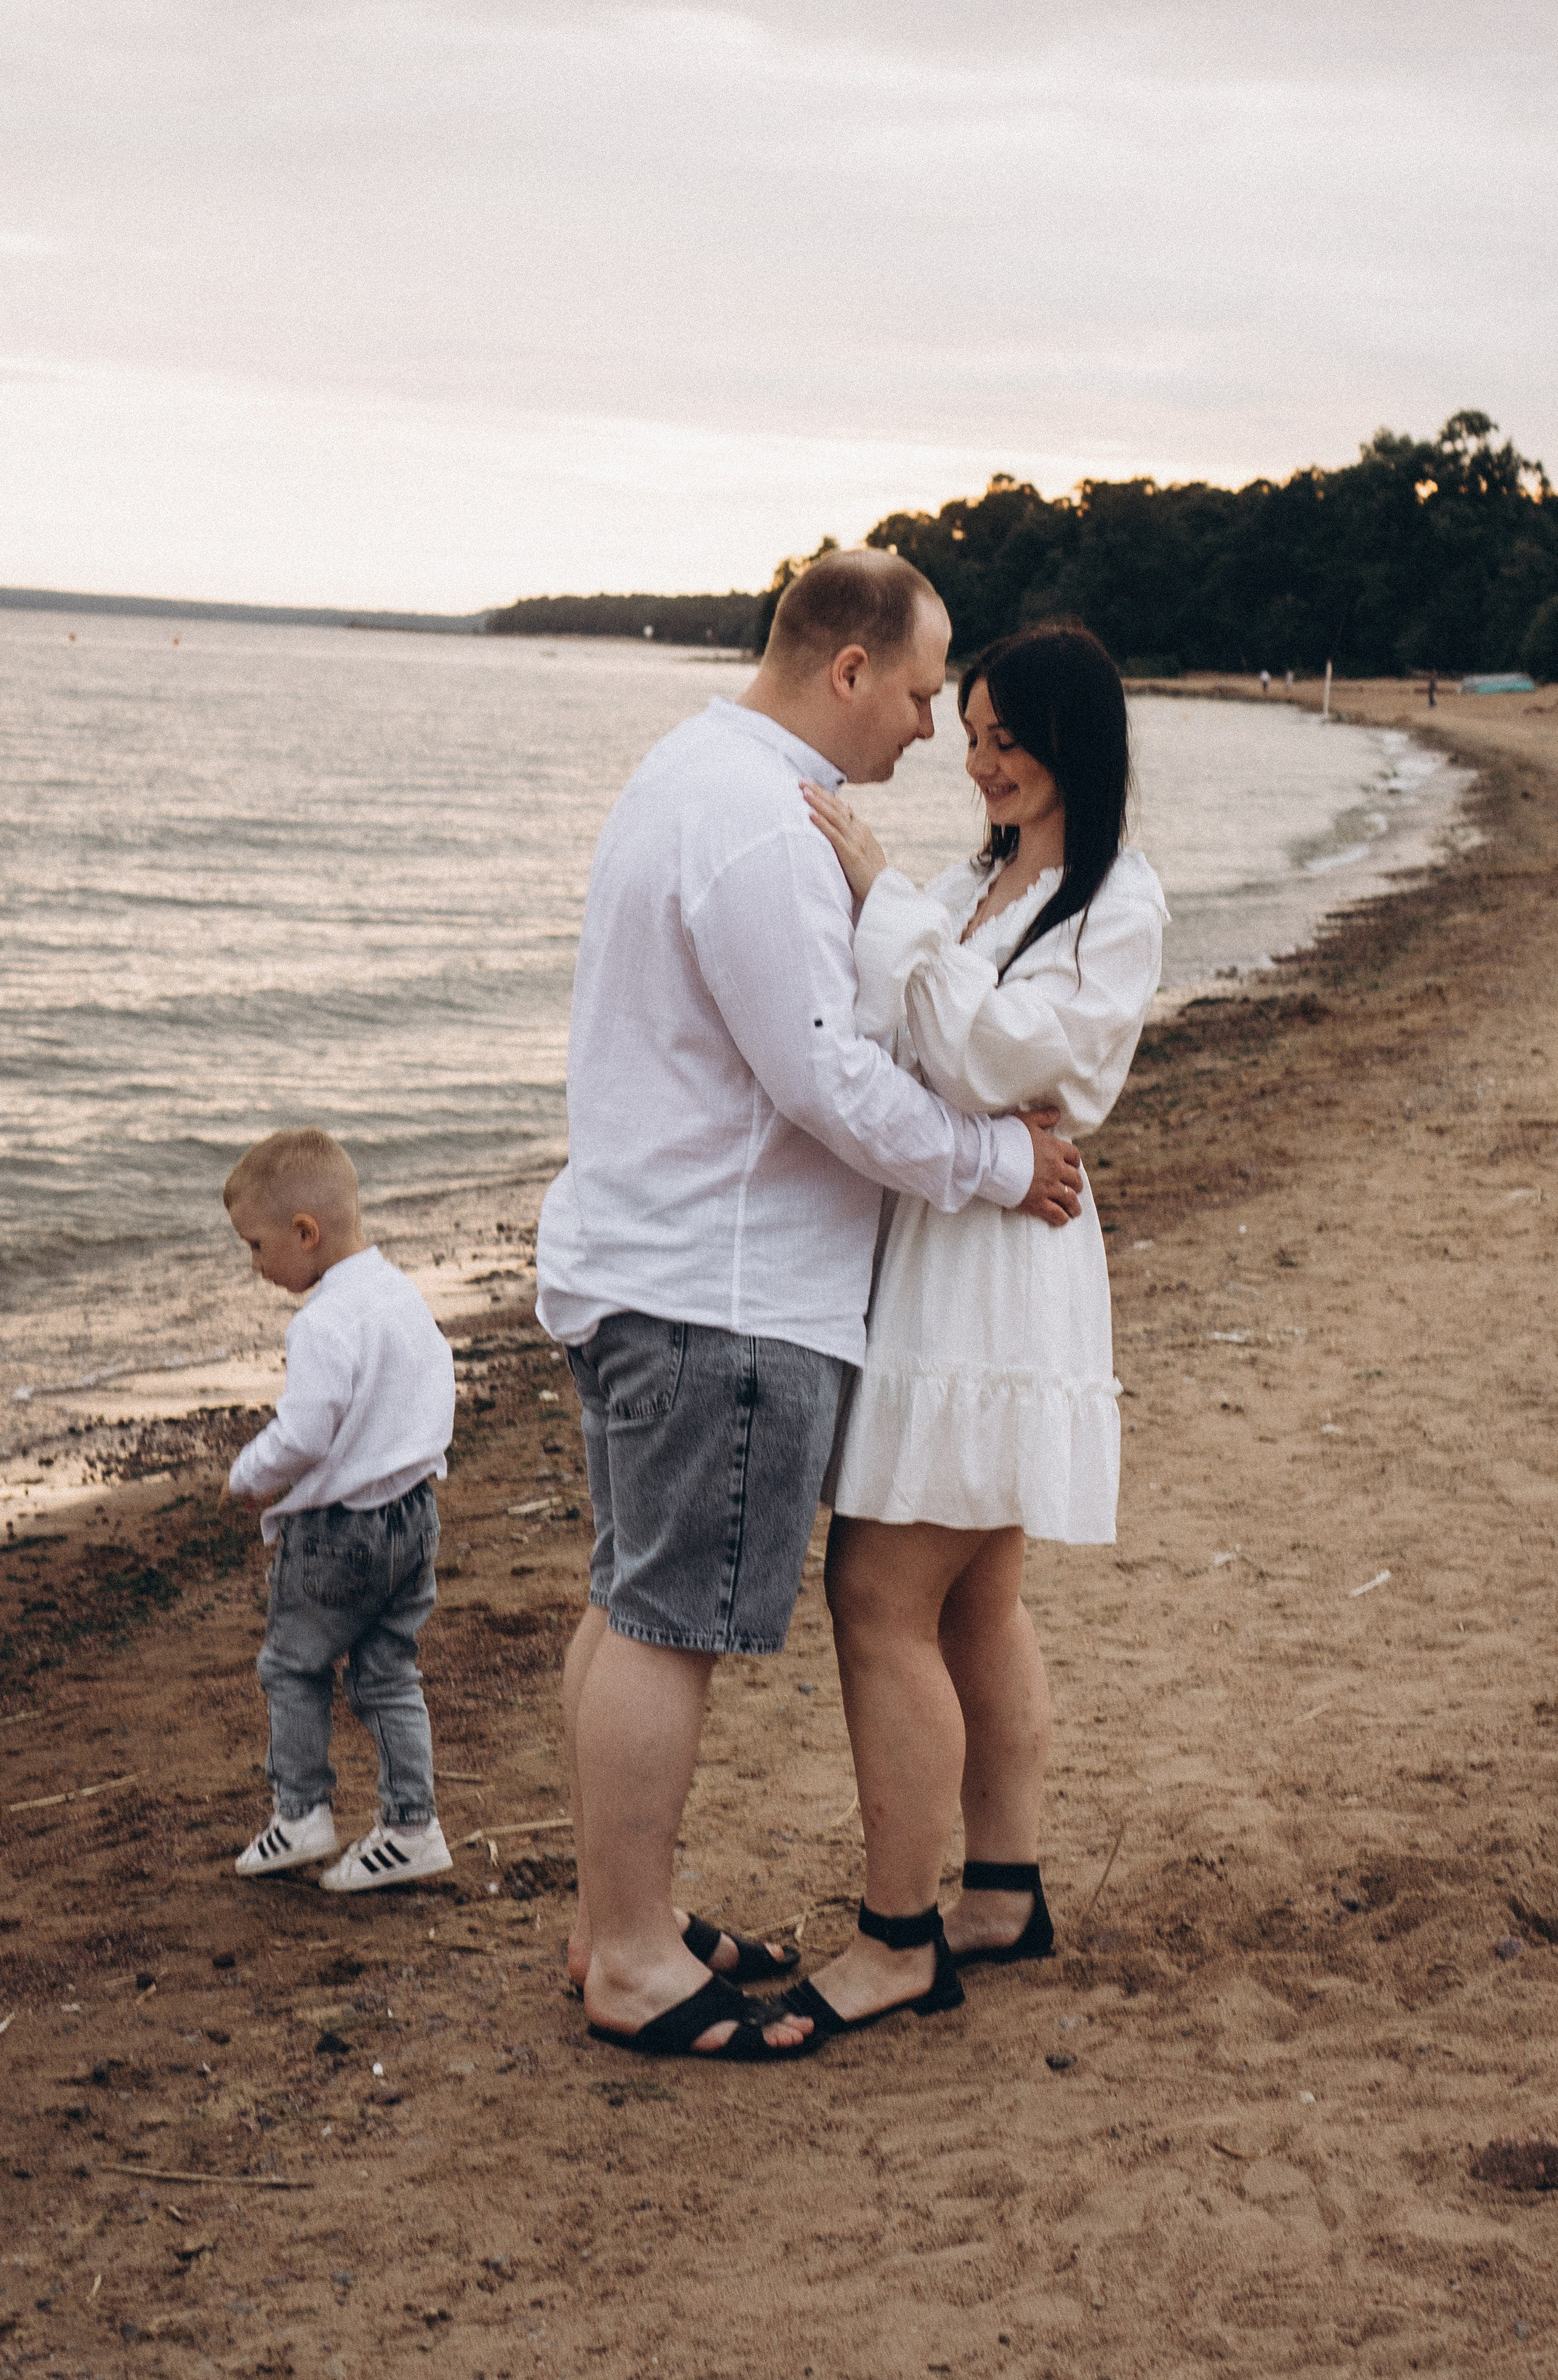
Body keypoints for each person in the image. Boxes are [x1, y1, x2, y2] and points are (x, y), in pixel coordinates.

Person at [538, 549, 1086, 2060]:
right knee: (665, 1626)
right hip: (722, 1285)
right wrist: (994, 1159)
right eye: (919, 694)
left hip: (645, 1260)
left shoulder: (687, 773)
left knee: (626, 1603)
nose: (927, 733)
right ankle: (637, 1957)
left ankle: (610, 1920)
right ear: (848, 669)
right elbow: (825, 1078)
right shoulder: (759, 823)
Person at [776, 622, 1167, 2049]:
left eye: (1006, 735)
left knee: (877, 1591)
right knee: (971, 1600)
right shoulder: (970, 881)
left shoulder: (1114, 900)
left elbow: (1002, 1058)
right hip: (952, 1228)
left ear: (1073, 742)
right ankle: (998, 1893)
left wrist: (886, 899)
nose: (978, 757)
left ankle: (898, 1937)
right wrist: (923, 959)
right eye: (975, 729)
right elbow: (901, 1046)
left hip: (1003, 1259)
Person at [222, 1128, 456, 1892]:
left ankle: (302, 1814)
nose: (255, 1266)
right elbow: (432, 1393)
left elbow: (305, 1432)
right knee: (389, 1675)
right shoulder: (399, 1294)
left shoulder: (322, 1321)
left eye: (256, 1247)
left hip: (339, 1534)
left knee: (293, 1667)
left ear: (304, 1233)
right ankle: (411, 1827)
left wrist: (249, 1474)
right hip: (413, 1516)